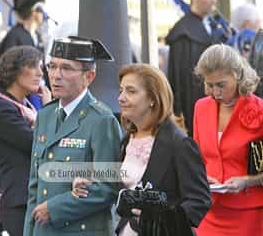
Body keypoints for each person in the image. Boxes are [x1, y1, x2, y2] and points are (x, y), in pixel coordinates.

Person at [73, 64, 211, 236]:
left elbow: (199, 201)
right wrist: (92, 184)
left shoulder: (179, 144)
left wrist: (158, 220)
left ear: (153, 98)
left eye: (131, 91)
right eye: (121, 90)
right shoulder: (128, 139)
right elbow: (125, 189)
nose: (121, 98)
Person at [23, 36, 122, 236]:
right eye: (52, 66)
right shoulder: (45, 115)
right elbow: (35, 186)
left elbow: (108, 187)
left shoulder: (101, 120)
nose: (56, 75)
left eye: (66, 68)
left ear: (89, 76)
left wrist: (55, 208)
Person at [193, 44, 263, 236]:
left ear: (238, 75)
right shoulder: (201, 107)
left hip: (249, 213)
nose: (215, 92)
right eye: (209, 85)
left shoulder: (260, 111)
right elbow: (197, 158)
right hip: (209, 210)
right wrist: (202, 177)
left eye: (221, 85)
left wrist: (247, 181)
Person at [0, 45, 51, 235]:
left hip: (35, 196)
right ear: (14, 70)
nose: (41, 73)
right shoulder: (2, 109)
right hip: (20, 201)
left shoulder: (27, 106)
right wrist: (48, 110)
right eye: (33, 66)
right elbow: (39, 146)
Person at [166, 0, 217, 136]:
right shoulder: (183, 33)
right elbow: (179, 80)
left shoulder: (214, 27)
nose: (213, 0)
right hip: (192, 111)